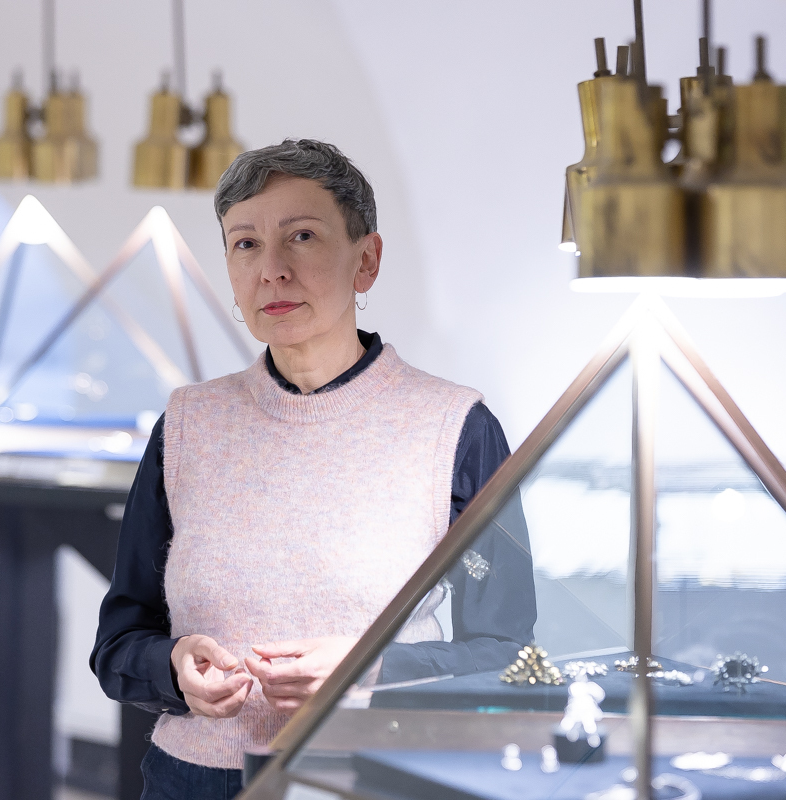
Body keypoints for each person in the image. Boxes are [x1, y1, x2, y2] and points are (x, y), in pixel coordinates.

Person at [91, 139, 536, 800]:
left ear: (367, 260)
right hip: (191, 782)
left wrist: (369, 670)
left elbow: (507, 655)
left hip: (370, 780)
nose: (272, 270)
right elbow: (120, 643)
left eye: (301, 236)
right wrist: (173, 667)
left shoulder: (456, 429)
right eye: (246, 244)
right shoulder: (187, 425)